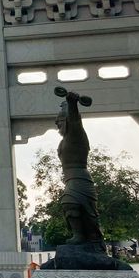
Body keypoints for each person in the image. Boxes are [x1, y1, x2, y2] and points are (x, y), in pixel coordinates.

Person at [55, 90, 104, 245]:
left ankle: (86, 237)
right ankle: (81, 236)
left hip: (80, 179)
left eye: (59, 123)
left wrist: (72, 104)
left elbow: (75, 120)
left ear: (67, 121)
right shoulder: (63, 141)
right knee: (71, 207)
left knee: (71, 203)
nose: (57, 126)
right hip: (70, 180)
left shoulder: (75, 134)